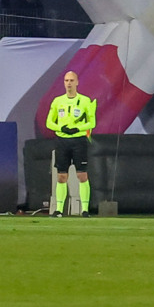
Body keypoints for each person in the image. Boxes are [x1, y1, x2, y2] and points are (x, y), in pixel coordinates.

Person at [44, 69, 96, 217]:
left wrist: (77, 128)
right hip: (62, 140)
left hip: (79, 140)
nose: (69, 83)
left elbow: (92, 122)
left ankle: (85, 209)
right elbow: (49, 122)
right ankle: (59, 209)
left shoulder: (85, 101)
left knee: (82, 175)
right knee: (61, 176)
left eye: (72, 81)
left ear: (77, 82)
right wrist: (61, 128)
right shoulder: (58, 101)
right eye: (66, 81)